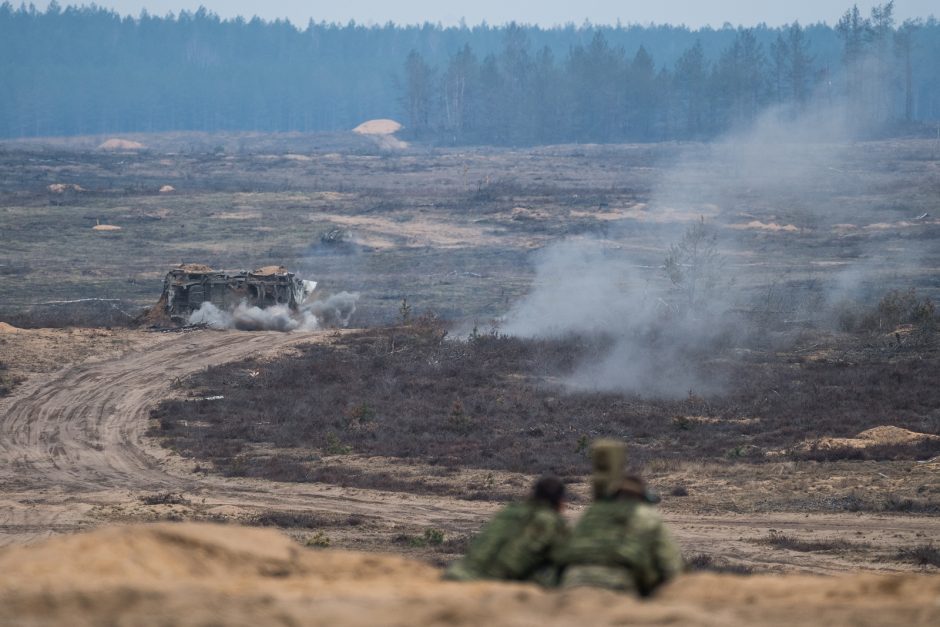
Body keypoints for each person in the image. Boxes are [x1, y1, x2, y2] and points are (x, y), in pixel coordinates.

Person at [554, 441, 683, 596]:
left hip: (572, 584)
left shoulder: (593, 512)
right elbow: (671, 565)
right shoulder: (645, 514)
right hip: (618, 588)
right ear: (641, 497)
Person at [444, 475, 568, 585]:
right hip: (493, 585)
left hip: (457, 574)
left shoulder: (509, 511)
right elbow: (565, 557)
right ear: (559, 501)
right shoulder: (551, 521)